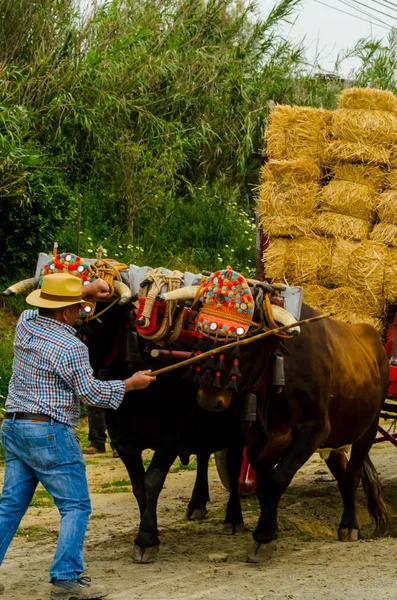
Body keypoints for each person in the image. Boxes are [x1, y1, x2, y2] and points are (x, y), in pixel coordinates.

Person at [0, 273, 155, 599]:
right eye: (77, 307)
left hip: (14, 427)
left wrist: (84, 290)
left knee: (10, 506)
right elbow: (92, 394)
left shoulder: (27, 322)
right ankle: (66, 578)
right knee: (76, 506)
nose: (82, 311)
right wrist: (131, 383)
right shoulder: (71, 346)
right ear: (65, 314)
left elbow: (55, 304)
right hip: (50, 432)